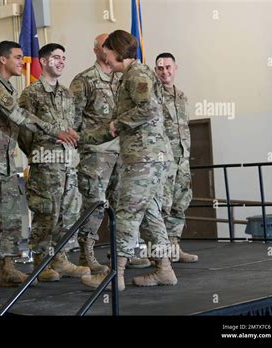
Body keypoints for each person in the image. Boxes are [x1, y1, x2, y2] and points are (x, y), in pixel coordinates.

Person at [0, 41, 79, 292]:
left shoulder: (8, 88)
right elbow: (19, 116)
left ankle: (7, 266)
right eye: (17, 57)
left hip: (6, 163)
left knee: (10, 217)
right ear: (3, 60)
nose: (22, 62)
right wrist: (55, 131)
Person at [79, 30, 177, 290]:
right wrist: (82, 138)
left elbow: (148, 109)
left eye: (107, 52)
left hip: (143, 159)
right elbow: (115, 125)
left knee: (126, 214)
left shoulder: (137, 75)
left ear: (117, 51)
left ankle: (115, 275)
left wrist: (116, 125)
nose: (105, 57)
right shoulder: (131, 76)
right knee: (150, 215)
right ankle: (164, 269)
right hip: (146, 157)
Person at [18, 43, 91, 282]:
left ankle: (60, 257)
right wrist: (40, 151)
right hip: (45, 164)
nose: (61, 62)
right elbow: (24, 131)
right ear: (44, 61)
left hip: (68, 163)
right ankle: (41, 260)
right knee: (47, 212)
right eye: (56, 57)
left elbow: (72, 126)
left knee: (69, 212)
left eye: (63, 58)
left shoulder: (67, 94)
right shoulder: (31, 93)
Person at [69, 33, 123, 273]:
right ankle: (86, 254)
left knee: (122, 204)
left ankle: (121, 254)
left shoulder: (121, 79)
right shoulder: (84, 80)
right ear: (96, 50)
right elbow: (73, 120)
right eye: (105, 45)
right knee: (95, 204)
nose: (109, 49)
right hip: (96, 154)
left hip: (122, 152)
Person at [155, 52, 198, 263]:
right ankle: (159, 253)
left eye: (168, 67)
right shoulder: (153, 96)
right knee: (162, 205)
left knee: (180, 203)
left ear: (175, 68)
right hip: (164, 162)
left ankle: (173, 246)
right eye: (160, 68)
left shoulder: (182, 97)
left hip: (182, 160)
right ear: (156, 71)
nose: (165, 72)